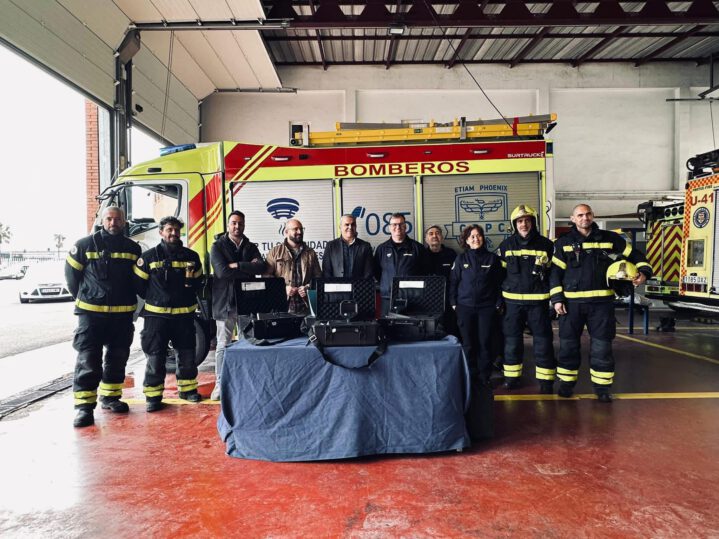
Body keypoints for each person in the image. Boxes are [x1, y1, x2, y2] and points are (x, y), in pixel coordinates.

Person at [550, 203, 652, 402]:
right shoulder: (564, 243)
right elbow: (555, 274)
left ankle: (602, 388)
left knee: (602, 347)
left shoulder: (610, 239)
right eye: (580, 215)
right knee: (568, 346)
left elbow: (636, 255)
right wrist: (557, 299)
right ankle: (566, 384)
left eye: (588, 214)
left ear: (593, 215)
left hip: (601, 304)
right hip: (571, 305)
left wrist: (644, 272)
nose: (584, 218)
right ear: (572, 219)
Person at [65, 206, 142, 428]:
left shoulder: (133, 248)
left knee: (118, 357)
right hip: (91, 314)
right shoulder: (84, 245)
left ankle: (110, 397)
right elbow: (72, 278)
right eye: (109, 219)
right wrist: (87, 297)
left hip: (122, 314)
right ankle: (84, 408)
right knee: (88, 359)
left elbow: (138, 281)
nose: (113, 223)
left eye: (117, 219)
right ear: (102, 220)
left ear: (124, 222)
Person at [133, 216, 204, 412]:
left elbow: (198, 282)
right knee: (155, 356)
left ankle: (188, 390)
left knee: (187, 354)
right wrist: (157, 298)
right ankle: (153, 396)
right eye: (169, 230)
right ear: (161, 232)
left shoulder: (191, 256)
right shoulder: (148, 257)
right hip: (156, 318)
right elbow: (139, 286)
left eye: (176, 230)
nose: (173, 233)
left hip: (184, 317)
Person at [496, 205, 556, 393]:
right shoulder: (505, 246)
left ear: (533, 223)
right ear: (514, 224)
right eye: (520, 221)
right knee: (512, 343)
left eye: (527, 221)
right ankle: (511, 379)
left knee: (543, 342)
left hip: (538, 303)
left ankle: (546, 381)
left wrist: (554, 300)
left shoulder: (546, 245)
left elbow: (554, 275)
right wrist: (499, 301)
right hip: (512, 304)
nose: (524, 224)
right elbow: (498, 276)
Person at [210, 210, 266, 401]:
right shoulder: (217, 246)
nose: (237, 226)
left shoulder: (250, 246)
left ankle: (243, 382)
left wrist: (237, 265)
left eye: (240, 223)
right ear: (228, 225)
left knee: (246, 342)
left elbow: (261, 267)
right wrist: (247, 267)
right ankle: (220, 384)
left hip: (246, 302)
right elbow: (222, 272)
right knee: (223, 344)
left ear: (244, 225)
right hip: (225, 302)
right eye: (234, 223)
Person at [449, 225, 504, 385]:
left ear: (483, 238)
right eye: (472, 236)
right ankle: (469, 377)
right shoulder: (461, 259)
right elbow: (453, 283)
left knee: (485, 343)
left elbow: (499, 283)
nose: (476, 239)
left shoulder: (492, 259)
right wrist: (454, 303)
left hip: (486, 308)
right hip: (464, 308)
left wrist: (498, 303)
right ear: (466, 240)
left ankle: (484, 377)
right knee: (468, 343)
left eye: (478, 235)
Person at [265, 218, 321, 316]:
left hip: (306, 308)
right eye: (295, 229)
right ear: (286, 232)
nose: (299, 232)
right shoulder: (275, 252)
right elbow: (266, 277)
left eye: (301, 229)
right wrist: (283, 289)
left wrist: (308, 287)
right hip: (282, 308)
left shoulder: (310, 253)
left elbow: (318, 277)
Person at [374, 213, 428, 315]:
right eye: (394, 224)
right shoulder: (382, 249)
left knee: (411, 325)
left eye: (400, 224)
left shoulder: (418, 248)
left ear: (405, 226)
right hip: (388, 298)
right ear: (389, 227)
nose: (397, 227)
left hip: (412, 299)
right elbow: (377, 272)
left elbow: (424, 272)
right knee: (387, 325)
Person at [424, 224, 458, 336]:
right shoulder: (421, 255)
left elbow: (457, 278)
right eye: (431, 234)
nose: (434, 236)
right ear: (426, 239)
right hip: (427, 303)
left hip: (448, 301)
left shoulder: (451, 254)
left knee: (450, 332)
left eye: (437, 233)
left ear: (442, 238)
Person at [322, 214, 373, 279]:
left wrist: (360, 285)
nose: (350, 227)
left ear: (356, 226)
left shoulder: (365, 246)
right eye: (347, 224)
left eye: (353, 224)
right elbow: (326, 272)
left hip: (358, 285)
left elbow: (368, 273)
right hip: (336, 285)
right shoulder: (330, 246)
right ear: (340, 227)